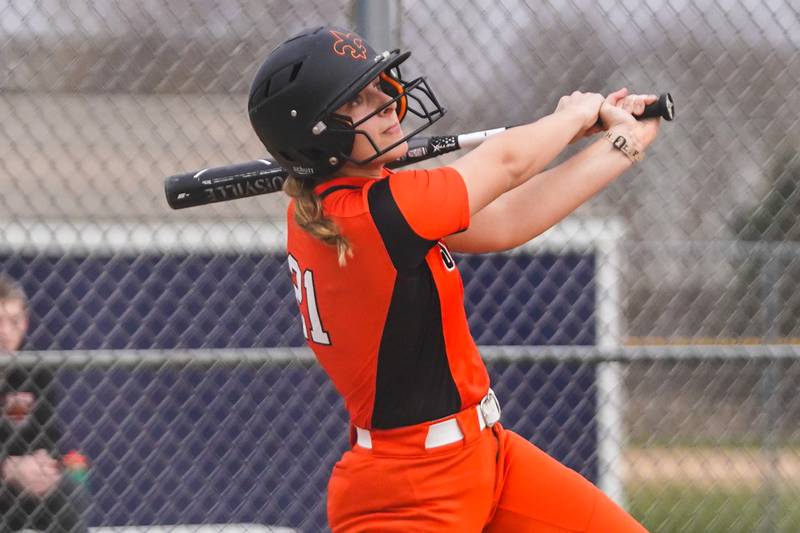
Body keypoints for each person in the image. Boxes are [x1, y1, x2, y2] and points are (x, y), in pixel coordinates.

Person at [248, 26, 658, 532]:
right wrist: (570, 114)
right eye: (359, 100)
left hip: (490, 456)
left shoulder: (363, 204)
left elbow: (507, 218)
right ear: (319, 135)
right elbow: (506, 164)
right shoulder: (375, 214)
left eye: (380, 86)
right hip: (409, 490)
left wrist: (624, 142)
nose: (389, 101)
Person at [0, 274, 89, 532]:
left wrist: (42, 463)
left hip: (21, 484)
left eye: (14, 321)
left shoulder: (35, 370)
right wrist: (8, 467)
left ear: (26, 323)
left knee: (70, 488)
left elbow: (47, 435)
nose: (5, 332)